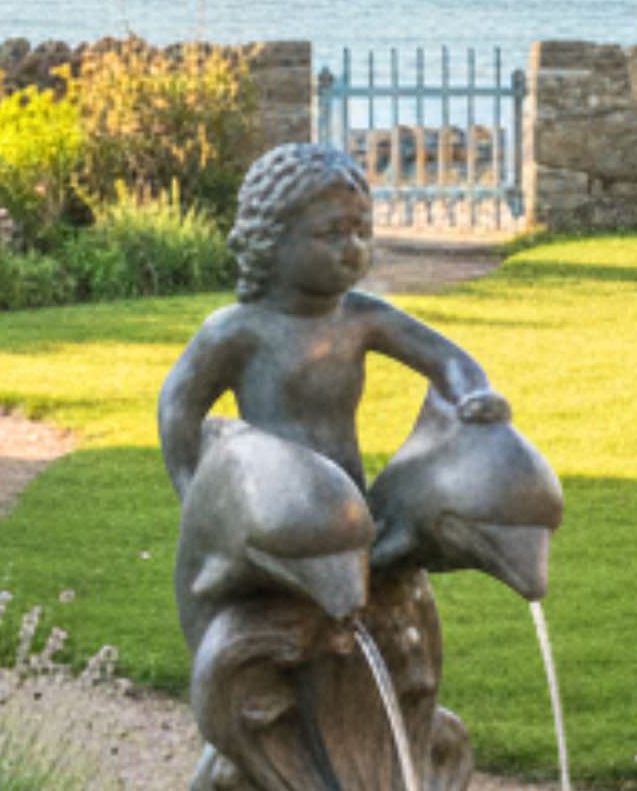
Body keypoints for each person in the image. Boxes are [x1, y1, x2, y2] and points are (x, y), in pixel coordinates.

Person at [158, 142, 511, 514]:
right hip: (276, 511)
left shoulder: (362, 317)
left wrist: (474, 396)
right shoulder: (236, 331)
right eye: (332, 234)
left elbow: (449, 360)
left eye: (362, 231)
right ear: (272, 239)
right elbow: (177, 409)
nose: (353, 247)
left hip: (350, 506)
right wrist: (194, 494)